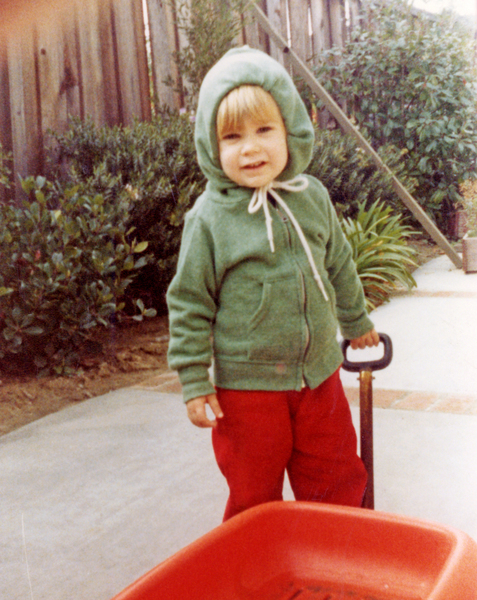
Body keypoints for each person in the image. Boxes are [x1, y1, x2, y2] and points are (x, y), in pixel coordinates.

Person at [167, 46, 379, 521]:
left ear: (291, 130)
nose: (250, 148)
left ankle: (335, 553)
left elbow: (338, 263)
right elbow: (189, 302)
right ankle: (256, 561)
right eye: (232, 136)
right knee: (253, 493)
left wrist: (355, 321)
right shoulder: (209, 218)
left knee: (336, 478)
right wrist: (194, 378)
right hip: (248, 390)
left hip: (319, 377)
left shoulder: (311, 196)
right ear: (211, 146)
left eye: (265, 130)